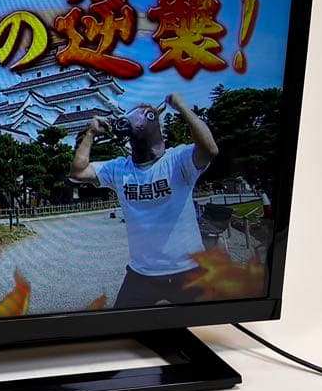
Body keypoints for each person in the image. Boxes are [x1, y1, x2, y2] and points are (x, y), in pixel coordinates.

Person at [69, 92, 218, 308]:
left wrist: (182, 107)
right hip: (142, 273)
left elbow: (210, 149)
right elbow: (78, 172)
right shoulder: (119, 168)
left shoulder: (178, 160)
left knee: (208, 324)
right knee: (119, 324)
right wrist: (91, 133)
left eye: (142, 115)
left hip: (189, 269)